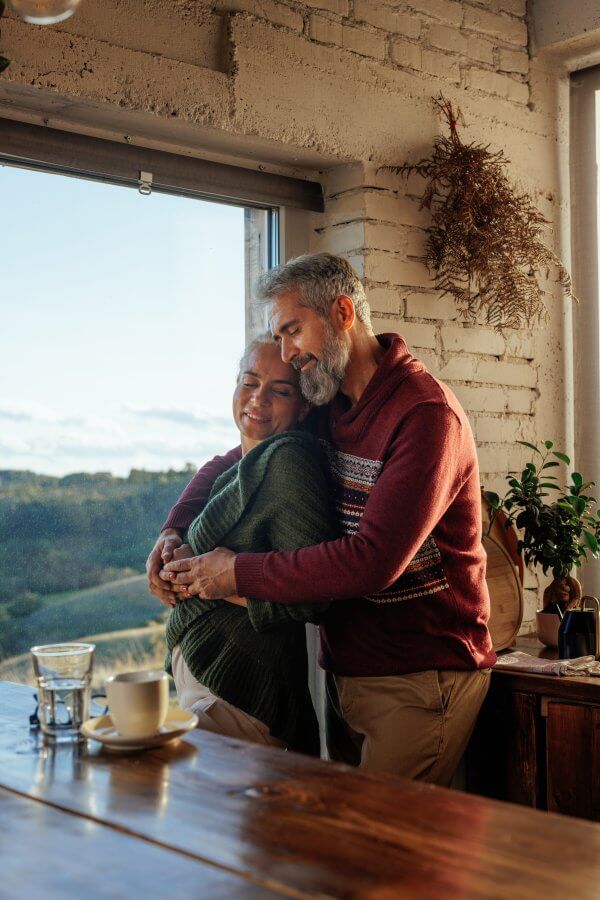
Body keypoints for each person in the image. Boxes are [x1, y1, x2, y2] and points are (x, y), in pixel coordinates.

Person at [148, 252, 496, 786]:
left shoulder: (426, 417)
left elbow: (373, 561)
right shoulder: (328, 400)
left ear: (341, 313)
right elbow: (239, 461)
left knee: (385, 854)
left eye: (292, 330)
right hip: (346, 672)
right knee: (341, 855)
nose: (287, 352)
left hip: (423, 677)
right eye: (277, 336)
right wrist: (174, 526)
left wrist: (236, 573)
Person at [161, 334, 338, 755]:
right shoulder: (245, 463)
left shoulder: (290, 461)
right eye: (249, 381)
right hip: (211, 691)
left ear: (304, 406)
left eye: (279, 390)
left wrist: (218, 582)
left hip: (241, 698)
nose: (257, 399)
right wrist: (172, 546)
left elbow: (313, 597)